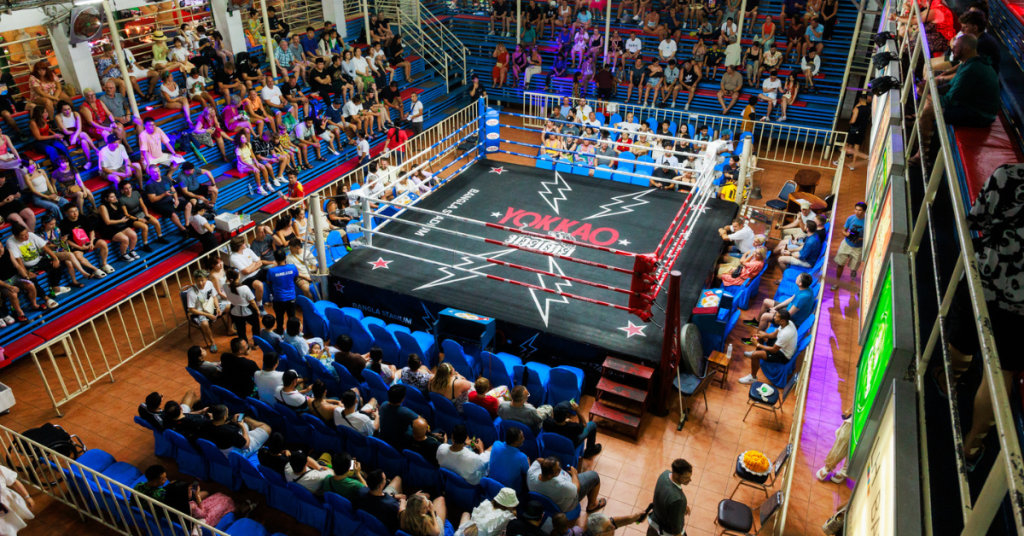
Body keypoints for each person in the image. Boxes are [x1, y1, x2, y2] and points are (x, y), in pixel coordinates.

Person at [913, 35, 998, 164]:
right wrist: (928, 90)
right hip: (973, 105)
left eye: (955, 47)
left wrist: (925, 95)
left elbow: (948, 101)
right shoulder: (970, 62)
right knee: (931, 103)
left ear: (966, 48)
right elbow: (950, 87)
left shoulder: (971, 69)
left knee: (928, 113)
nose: (952, 50)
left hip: (980, 115)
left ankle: (921, 157)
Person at [7, 223, 68, 307]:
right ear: (16, 236)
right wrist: (26, 273)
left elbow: (45, 247)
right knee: (30, 280)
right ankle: (46, 299)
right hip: (26, 266)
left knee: (57, 265)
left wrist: (55, 258)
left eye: (26, 233)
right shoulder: (11, 242)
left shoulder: (31, 235)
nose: (26, 236)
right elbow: (18, 260)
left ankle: (55, 287)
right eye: (23, 235)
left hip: (38, 260)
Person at [743, 273, 815, 342]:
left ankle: (756, 339)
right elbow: (791, 298)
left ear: (800, 283)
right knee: (766, 301)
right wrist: (776, 307)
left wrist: (776, 313)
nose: (796, 277)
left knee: (765, 316)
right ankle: (757, 323)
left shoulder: (802, 298)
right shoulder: (805, 288)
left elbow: (788, 315)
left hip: (792, 320)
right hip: (788, 310)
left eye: (798, 277)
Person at [527, 457, 605, 514]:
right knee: (594, 476)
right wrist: (574, 474)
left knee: (557, 458)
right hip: (564, 506)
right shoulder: (561, 486)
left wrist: (548, 464)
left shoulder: (531, 473)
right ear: (550, 476)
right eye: (557, 470)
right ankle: (592, 505)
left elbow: (537, 460)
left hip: (544, 499)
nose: (560, 470)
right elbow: (576, 489)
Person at [738, 309, 797, 384]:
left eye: (776, 316)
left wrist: (758, 344)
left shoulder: (786, 334)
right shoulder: (787, 323)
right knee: (760, 333)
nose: (774, 317)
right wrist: (764, 335)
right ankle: (757, 351)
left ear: (782, 320)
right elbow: (775, 334)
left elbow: (774, 350)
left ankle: (752, 378)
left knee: (755, 355)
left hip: (783, 355)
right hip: (780, 346)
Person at [198, 403, 272, 457]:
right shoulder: (230, 432)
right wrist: (242, 426)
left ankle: (246, 419)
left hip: (223, 448)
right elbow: (246, 445)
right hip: (237, 453)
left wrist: (232, 422)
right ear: (224, 417)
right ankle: (246, 418)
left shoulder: (206, 424)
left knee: (246, 425)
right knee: (266, 428)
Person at [647, 459, 692, 536]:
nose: (690, 480)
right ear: (676, 475)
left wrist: (681, 508)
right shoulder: (678, 500)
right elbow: (676, 529)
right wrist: (679, 506)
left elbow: (666, 498)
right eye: (686, 478)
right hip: (665, 532)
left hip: (653, 526)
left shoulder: (664, 475)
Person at [831, 202, 866, 290]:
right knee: (840, 264)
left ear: (864, 211)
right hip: (846, 244)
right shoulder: (850, 218)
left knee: (854, 266)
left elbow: (868, 237)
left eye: (859, 210)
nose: (857, 212)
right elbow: (843, 231)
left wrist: (860, 239)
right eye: (856, 209)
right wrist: (848, 235)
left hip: (858, 247)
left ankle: (853, 271)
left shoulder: (867, 221)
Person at [224, 268, 262, 343]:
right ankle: (256, 344)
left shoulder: (225, 286)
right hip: (248, 310)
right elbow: (252, 302)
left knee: (240, 330)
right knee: (256, 326)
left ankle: (245, 345)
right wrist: (257, 310)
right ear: (238, 276)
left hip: (234, 311)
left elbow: (228, 283)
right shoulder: (244, 288)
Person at [488, 427, 531, 491]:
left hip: (492, 488)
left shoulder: (496, 444)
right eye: (522, 437)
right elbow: (528, 472)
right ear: (515, 443)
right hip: (509, 493)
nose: (524, 439)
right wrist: (528, 463)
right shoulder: (522, 457)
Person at [836, 92, 869, 170]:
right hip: (862, 130)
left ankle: (839, 161)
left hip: (854, 130)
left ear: (860, 99)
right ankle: (853, 164)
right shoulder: (869, 109)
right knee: (857, 147)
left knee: (846, 145)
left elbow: (853, 121)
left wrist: (850, 122)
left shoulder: (857, 109)